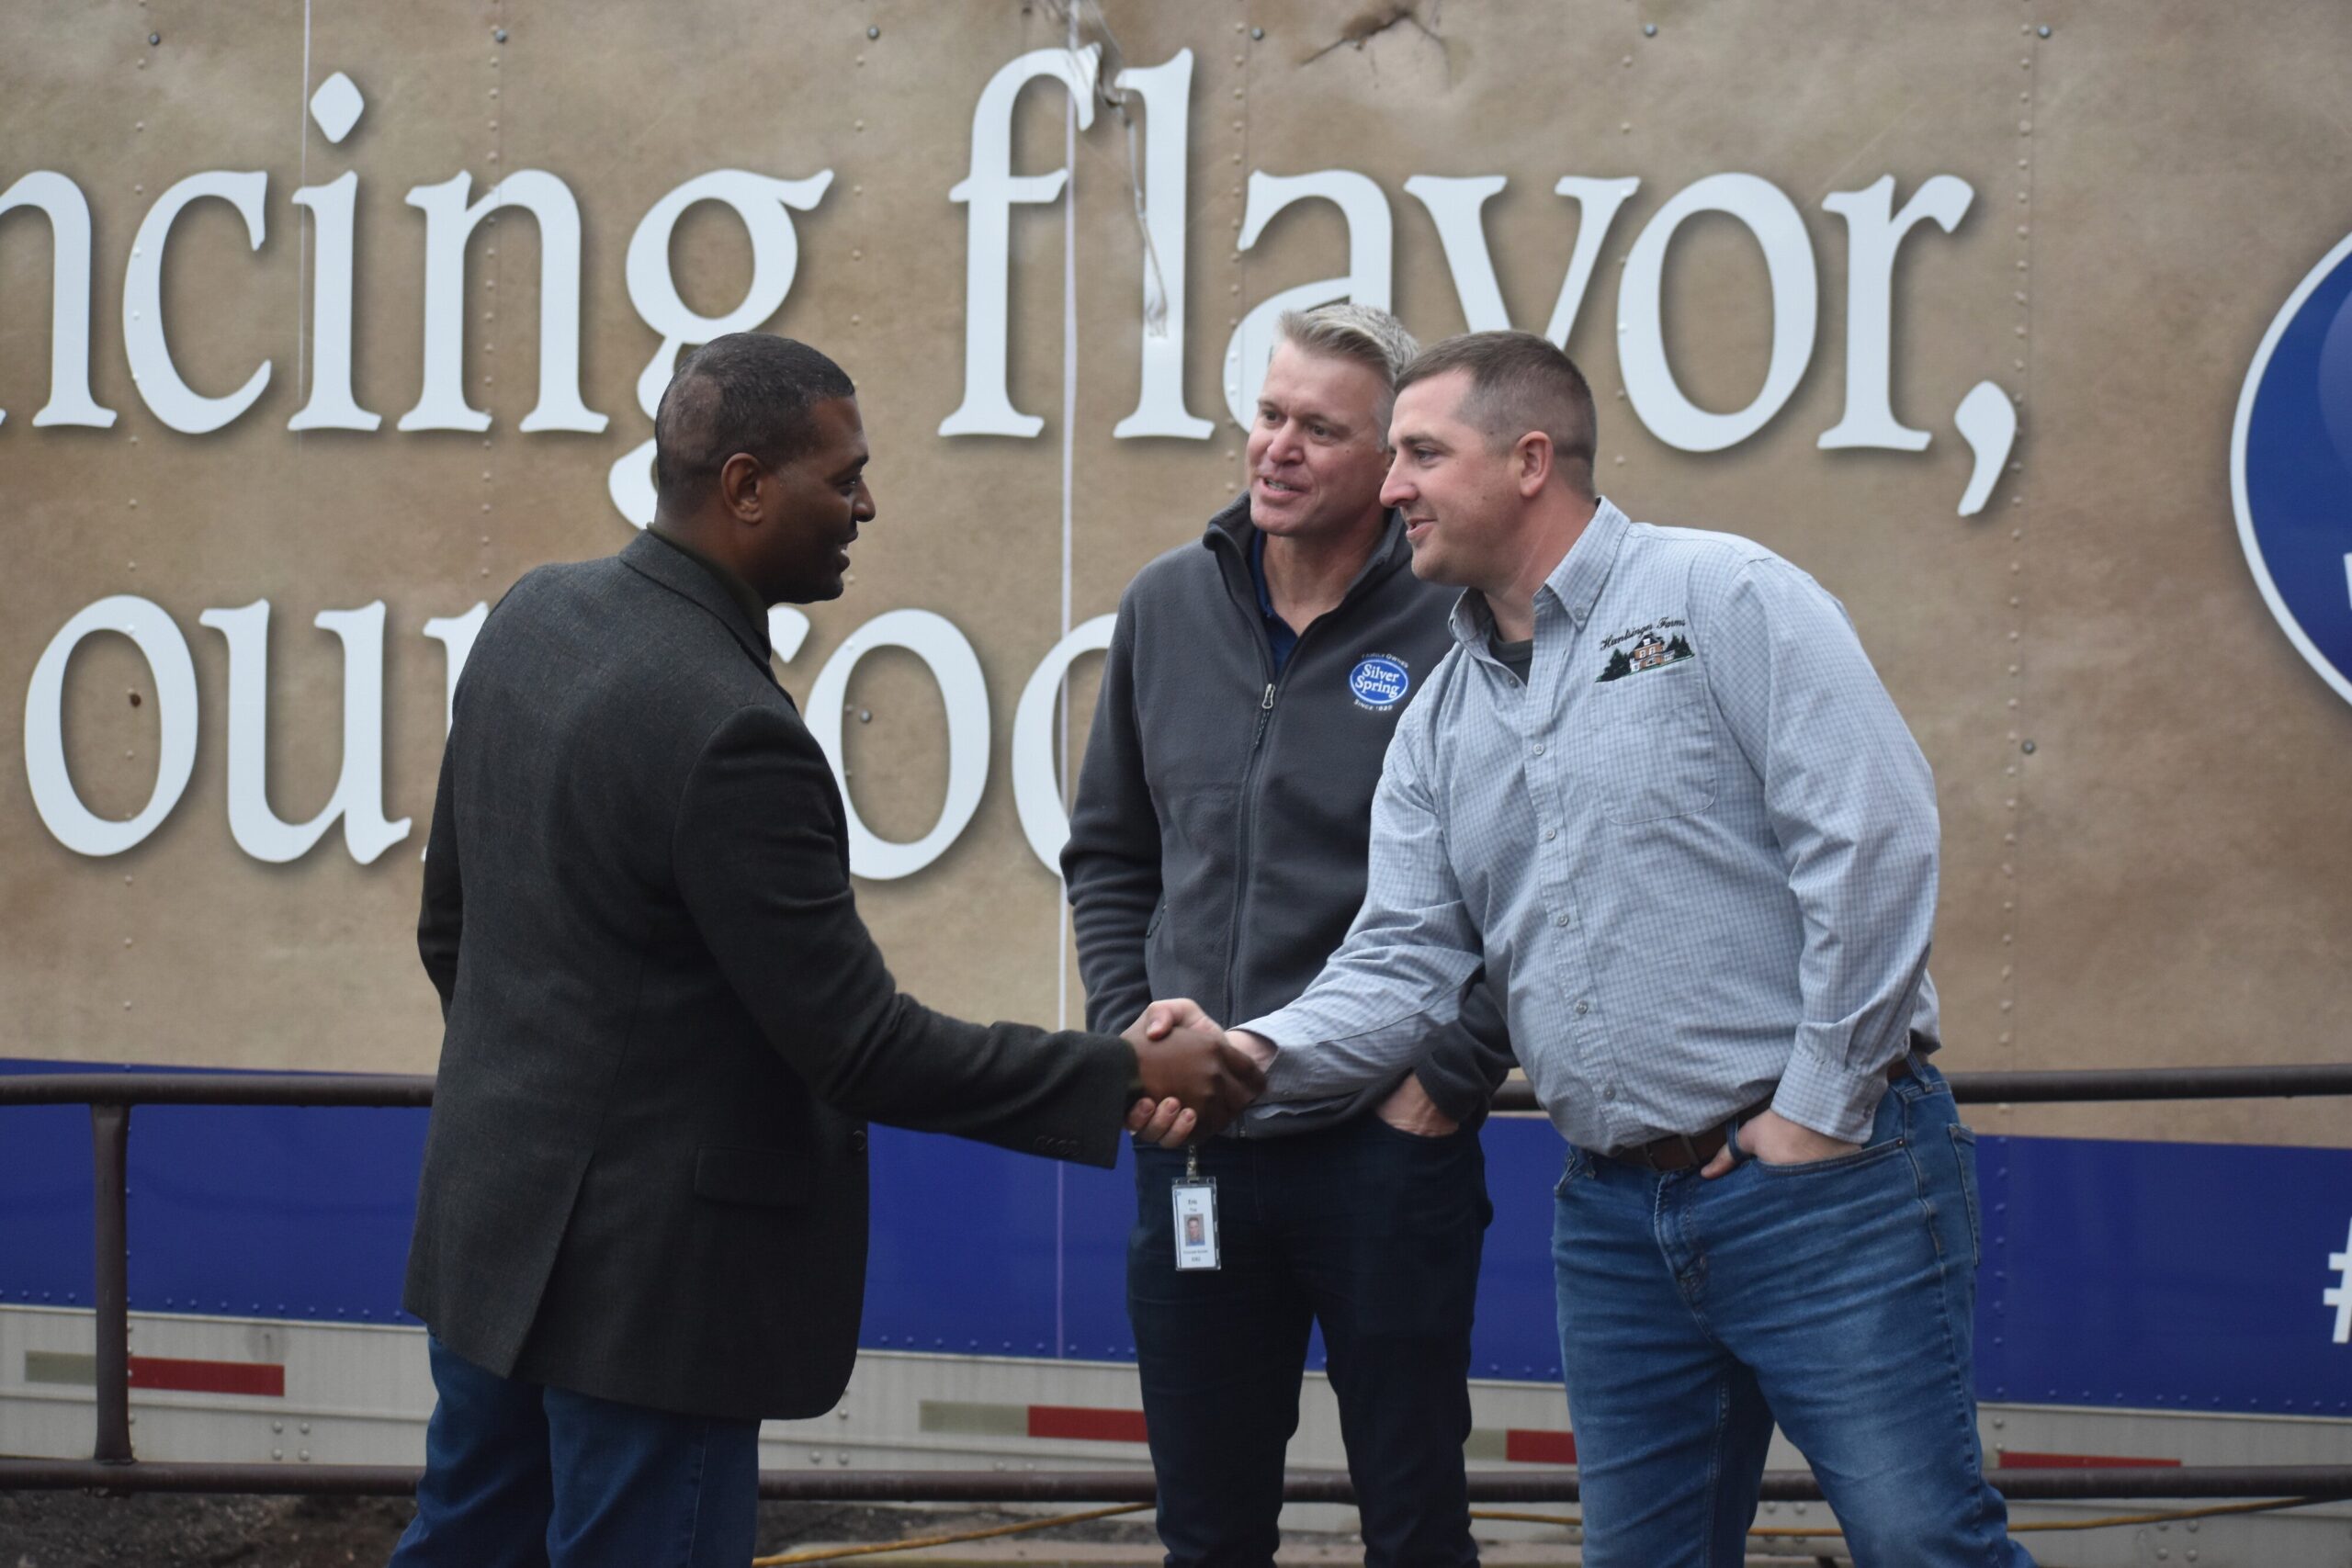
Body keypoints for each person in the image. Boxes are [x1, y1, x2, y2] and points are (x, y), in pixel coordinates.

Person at [393, 333, 1261, 1568]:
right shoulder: (732, 731)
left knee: (461, 1545)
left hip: (492, 1237)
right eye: (843, 476)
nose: (866, 504)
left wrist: (549, 1118)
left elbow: (451, 932)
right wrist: (1125, 1074)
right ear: (746, 487)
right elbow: (859, 1045)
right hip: (651, 1305)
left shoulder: (534, 614)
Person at [1218, 331, 2033, 1566]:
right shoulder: (1442, 714)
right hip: (1612, 1217)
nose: (1390, 488)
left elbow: (1874, 841)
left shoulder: (1725, 595)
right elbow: (1396, 967)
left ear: (1530, 459)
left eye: (1422, 453)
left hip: (1829, 1187)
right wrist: (1243, 1052)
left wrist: (1818, 1107)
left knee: (1926, 1546)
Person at [1064, 305, 1513, 1568]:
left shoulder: (1455, 630)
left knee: (1416, 1522)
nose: (1280, 449)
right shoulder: (1166, 606)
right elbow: (1110, 855)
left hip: (1385, 1154)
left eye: (1322, 428)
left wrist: (1444, 1081)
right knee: (1207, 1532)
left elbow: (1523, 888)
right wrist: (1129, 1041)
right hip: (1194, 1146)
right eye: (1270, 416)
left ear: (1391, 464)